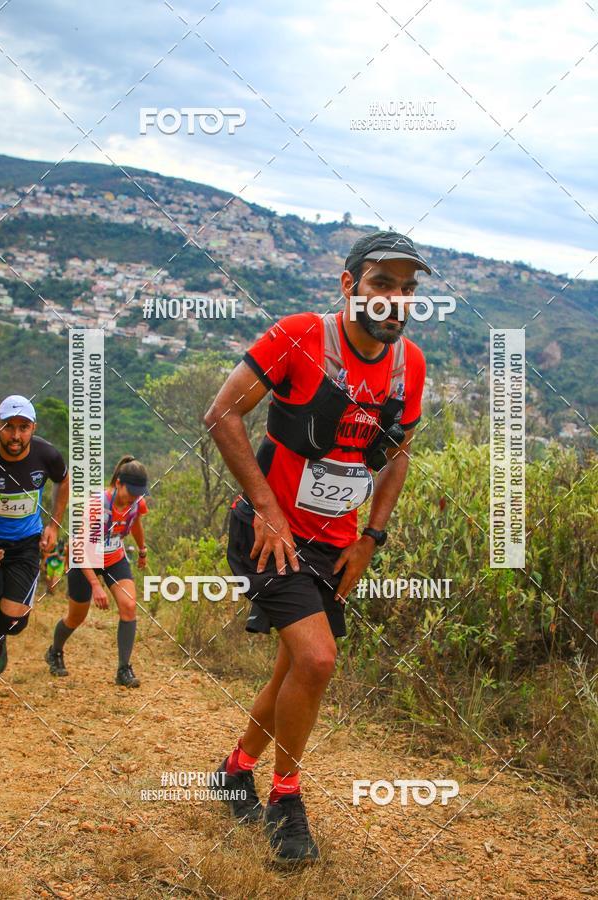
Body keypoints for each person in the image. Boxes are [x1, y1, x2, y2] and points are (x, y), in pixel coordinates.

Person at [205, 231, 429, 865]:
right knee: (318, 659)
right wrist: (270, 513)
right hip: (268, 535)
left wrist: (371, 537)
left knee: (294, 668)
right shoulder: (301, 335)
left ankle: (235, 768)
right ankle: (286, 798)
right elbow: (222, 414)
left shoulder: (408, 366)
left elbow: (398, 453)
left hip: (336, 546)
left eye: (408, 290)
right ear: (349, 285)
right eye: (382, 284)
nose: (394, 300)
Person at [45, 456, 149, 687]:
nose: (134, 497)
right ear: (118, 483)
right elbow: (78, 549)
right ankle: (55, 651)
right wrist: (95, 585)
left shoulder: (136, 502)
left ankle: (124, 670)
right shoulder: (97, 506)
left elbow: (136, 523)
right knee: (76, 617)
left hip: (114, 559)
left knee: (129, 606)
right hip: (84, 561)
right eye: (130, 491)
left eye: (138, 492)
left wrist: (142, 549)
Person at [0, 395, 69, 675]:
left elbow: (63, 481)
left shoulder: (47, 455)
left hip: (26, 543)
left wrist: (53, 524)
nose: (16, 435)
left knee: (15, 622)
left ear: (33, 428)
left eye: (23, 427)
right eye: (8, 427)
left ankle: (1, 635)